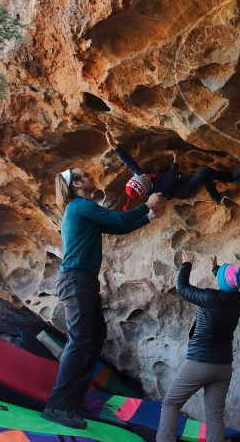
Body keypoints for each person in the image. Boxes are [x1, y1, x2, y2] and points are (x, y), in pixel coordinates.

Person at [42, 167, 165, 429]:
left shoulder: (82, 209)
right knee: (81, 340)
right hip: (76, 280)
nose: (89, 175)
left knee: (93, 337)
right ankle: (58, 405)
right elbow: (118, 221)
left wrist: (148, 216)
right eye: (84, 174)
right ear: (76, 184)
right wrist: (146, 205)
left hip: (82, 281)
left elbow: (115, 228)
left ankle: (74, 401)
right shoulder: (79, 206)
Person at [156, 251, 240, 442]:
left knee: (171, 403)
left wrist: (186, 264)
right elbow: (230, 283)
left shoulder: (210, 298)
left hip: (200, 363)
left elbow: (182, 288)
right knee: (215, 417)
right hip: (224, 367)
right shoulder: (236, 300)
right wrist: (216, 269)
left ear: (223, 283)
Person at [104, 131, 240, 208]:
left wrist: (114, 146)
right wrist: (176, 159)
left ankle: (216, 197)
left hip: (179, 180)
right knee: (204, 172)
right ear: (146, 187)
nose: (145, 175)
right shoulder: (158, 190)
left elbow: (129, 163)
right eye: (144, 178)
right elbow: (171, 176)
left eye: (140, 175)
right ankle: (231, 178)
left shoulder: (139, 175)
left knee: (204, 176)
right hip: (183, 189)